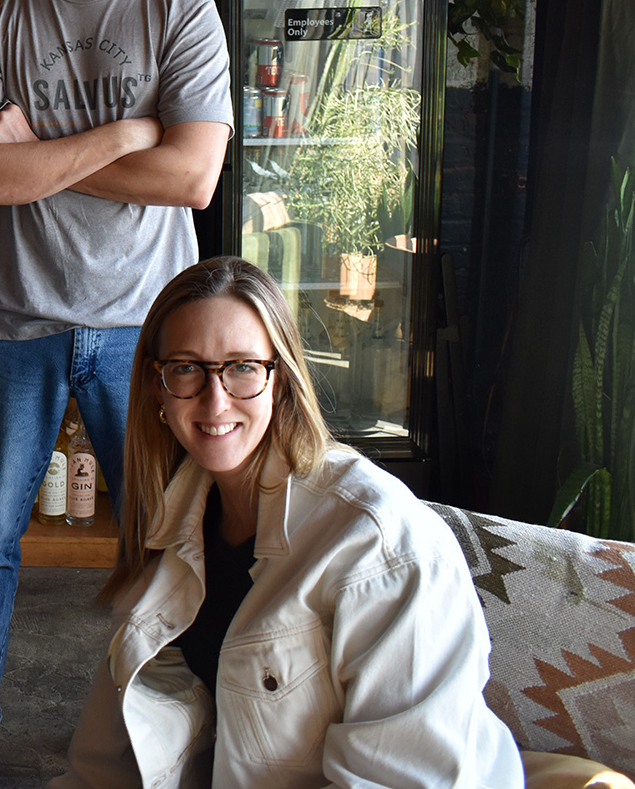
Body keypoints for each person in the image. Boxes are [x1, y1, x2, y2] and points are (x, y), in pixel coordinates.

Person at [0, 0, 232, 786]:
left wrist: (34, 150)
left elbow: (191, 177)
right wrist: (117, 138)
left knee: (167, 542)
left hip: (146, 330)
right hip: (12, 323)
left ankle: (183, 719)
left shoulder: (179, 14)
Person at [51, 256, 524, 788]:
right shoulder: (172, 519)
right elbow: (109, 753)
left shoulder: (380, 545)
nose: (215, 398)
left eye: (243, 367)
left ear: (281, 378)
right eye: (186, 367)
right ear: (157, 387)